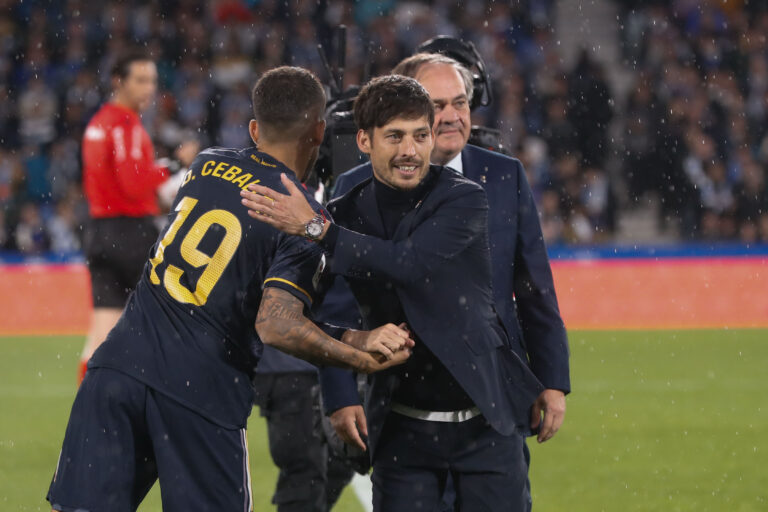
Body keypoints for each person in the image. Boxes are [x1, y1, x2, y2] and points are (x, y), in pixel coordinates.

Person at [47, 66, 413, 512]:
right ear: (319, 131)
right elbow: (278, 325)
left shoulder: (206, 165)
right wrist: (359, 356)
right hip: (200, 391)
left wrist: (353, 338)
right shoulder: (303, 223)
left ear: (255, 128)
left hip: (117, 369)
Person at [241, 74, 547, 511]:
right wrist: (344, 381)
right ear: (364, 141)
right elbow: (304, 310)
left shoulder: (463, 199)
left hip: (486, 425)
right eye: (395, 137)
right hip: (403, 433)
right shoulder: (343, 213)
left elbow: (410, 264)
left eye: (421, 135)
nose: (410, 150)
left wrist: (316, 229)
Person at [325, 53, 572, 508]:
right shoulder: (354, 188)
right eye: (438, 105)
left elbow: (535, 287)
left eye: (461, 102)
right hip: (402, 410)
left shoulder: (503, 175)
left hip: (492, 404)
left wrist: (552, 379)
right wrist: (340, 394)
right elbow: (336, 300)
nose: (454, 116)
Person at [78, 50, 199, 383]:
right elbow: (134, 184)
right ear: (119, 81)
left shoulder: (97, 124)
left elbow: (115, 183)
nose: (149, 89)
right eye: (141, 80)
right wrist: (174, 162)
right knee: (171, 321)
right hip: (131, 234)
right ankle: (169, 408)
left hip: (99, 233)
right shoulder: (125, 125)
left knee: (101, 333)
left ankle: (90, 414)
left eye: (153, 81)